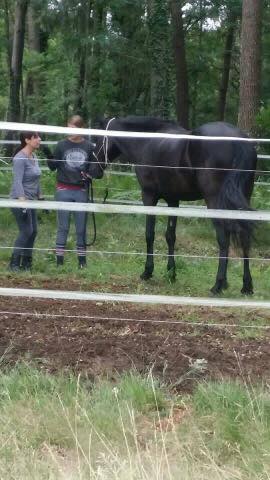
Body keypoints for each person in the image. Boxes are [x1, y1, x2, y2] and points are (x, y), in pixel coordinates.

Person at [47, 115, 94, 268]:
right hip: (63, 189)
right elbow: (53, 166)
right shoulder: (61, 145)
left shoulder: (89, 146)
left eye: (74, 129)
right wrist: (49, 156)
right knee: (63, 226)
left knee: (81, 227)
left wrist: (89, 176)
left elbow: (94, 169)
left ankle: (82, 261)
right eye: (69, 128)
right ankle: (59, 261)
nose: (71, 132)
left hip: (81, 190)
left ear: (81, 129)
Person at [9, 131, 42, 272]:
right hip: (20, 200)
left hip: (32, 200)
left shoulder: (34, 156)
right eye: (36, 137)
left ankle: (26, 263)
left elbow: (36, 178)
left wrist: (40, 196)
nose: (39, 139)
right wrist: (22, 203)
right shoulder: (20, 158)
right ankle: (14, 264)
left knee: (33, 231)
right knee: (26, 231)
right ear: (27, 140)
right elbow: (17, 182)